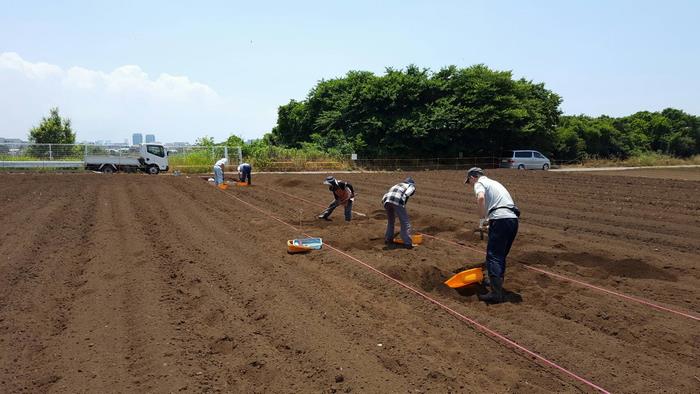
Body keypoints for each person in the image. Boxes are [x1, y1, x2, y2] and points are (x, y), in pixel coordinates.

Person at [464, 167, 519, 304]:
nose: (470, 185)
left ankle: (495, 294)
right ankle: (494, 282)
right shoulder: (495, 183)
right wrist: (491, 222)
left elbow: (481, 198)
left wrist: (482, 221)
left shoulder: (479, 183)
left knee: (493, 256)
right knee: (500, 255)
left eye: (469, 181)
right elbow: (499, 205)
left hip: (501, 219)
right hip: (512, 219)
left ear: (472, 177)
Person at [382, 177, 416, 249]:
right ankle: (408, 243)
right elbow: (407, 193)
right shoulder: (411, 186)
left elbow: (388, 194)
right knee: (405, 222)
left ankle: (388, 239)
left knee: (391, 221)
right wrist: (401, 205)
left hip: (386, 201)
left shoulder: (397, 184)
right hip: (396, 200)